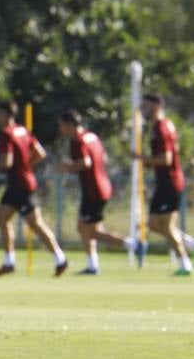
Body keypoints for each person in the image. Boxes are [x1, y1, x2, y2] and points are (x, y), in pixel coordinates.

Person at [0, 100, 69, 277]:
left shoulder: (7, 133)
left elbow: (7, 161)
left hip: (19, 185)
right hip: (23, 182)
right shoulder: (22, 130)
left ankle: (59, 259)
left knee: (35, 224)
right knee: (3, 218)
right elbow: (40, 152)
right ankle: (10, 262)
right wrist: (26, 166)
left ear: (6, 114)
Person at [56, 109, 135, 274]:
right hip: (101, 186)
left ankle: (133, 245)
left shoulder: (77, 140)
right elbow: (103, 158)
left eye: (62, 126)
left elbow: (85, 162)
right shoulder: (91, 136)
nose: (60, 129)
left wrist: (68, 167)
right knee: (83, 227)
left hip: (94, 191)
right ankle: (93, 265)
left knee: (91, 231)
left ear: (70, 125)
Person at [138, 94, 194, 275]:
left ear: (156, 105)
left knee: (166, 226)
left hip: (170, 182)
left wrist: (143, 159)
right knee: (153, 224)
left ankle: (185, 265)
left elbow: (166, 159)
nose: (143, 108)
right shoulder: (159, 126)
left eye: (146, 105)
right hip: (165, 183)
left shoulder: (161, 127)